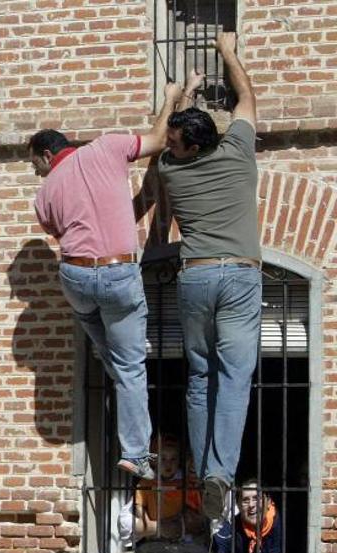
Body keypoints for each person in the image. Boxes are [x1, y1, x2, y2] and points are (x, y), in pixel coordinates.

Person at [29, 82, 181, 482]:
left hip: (76, 277)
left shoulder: (44, 194)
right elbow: (158, 139)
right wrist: (170, 98)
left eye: (36, 166)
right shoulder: (109, 146)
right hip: (118, 272)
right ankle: (134, 451)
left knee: (111, 355)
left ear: (48, 155)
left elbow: (57, 231)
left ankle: (112, 369)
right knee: (131, 369)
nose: (38, 174)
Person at [159, 33, 262, 522]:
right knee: (234, 378)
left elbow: (167, 131)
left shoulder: (170, 171)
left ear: (189, 144)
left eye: (177, 141)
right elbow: (246, 98)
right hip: (239, 277)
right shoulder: (239, 151)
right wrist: (226, 51)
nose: (170, 145)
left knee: (201, 378)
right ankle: (220, 473)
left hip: (195, 277)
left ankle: (204, 474)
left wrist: (186, 90)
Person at [129, 433, 205, 542]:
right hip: (155, 536)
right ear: (154, 461)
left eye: (173, 459)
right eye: (163, 458)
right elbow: (139, 506)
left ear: (179, 460)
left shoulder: (185, 483)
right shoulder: (146, 482)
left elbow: (194, 513)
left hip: (181, 536)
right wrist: (151, 524)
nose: (168, 464)